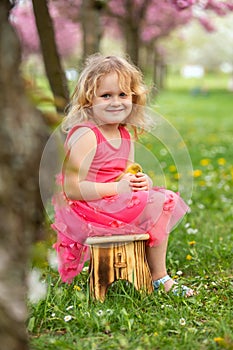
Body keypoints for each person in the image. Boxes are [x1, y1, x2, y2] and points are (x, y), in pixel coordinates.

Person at [52, 54, 193, 297]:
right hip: (85, 209)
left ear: (134, 98)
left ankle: (156, 273)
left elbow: (123, 174)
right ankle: (159, 277)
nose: (115, 102)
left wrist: (139, 182)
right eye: (106, 95)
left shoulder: (124, 134)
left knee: (158, 198)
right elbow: (72, 189)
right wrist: (119, 189)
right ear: (89, 100)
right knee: (162, 201)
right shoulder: (87, 135)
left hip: (109, 202)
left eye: (123, 95)